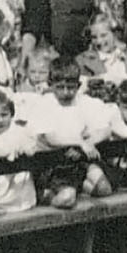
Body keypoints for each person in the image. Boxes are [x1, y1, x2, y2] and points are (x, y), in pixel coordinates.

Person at [25, 57, 114, 209]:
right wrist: (80, 142)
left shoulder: (83, 102)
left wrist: (91, 141)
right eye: (60, 87)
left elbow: (105, 129)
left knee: (104, 188)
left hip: (78, 162)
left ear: (78, 85)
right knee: (67, 199)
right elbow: (51, 138)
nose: (66, 92)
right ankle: (47, 196)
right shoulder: (43, 104)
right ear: (50, 85)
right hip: (52, 165)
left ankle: (78, 188)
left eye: (71, 87)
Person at [76, 15, 127, 82]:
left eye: (103, 35)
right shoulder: (84, 60)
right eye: (94, 37)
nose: (99, 41)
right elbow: (82, 85)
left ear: (114, 34)